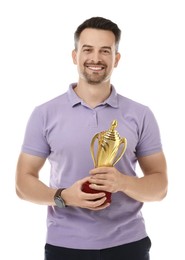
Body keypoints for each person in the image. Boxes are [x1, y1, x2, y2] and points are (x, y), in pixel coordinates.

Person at [15, 16, 168, 260]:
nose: (95, 58)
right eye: (88, 49)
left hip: (129, 245)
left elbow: (160, 188)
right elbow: (23, 184)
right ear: (75, 56)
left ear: (116, 59)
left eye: (105, 51)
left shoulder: (141, 114)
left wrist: (123, 183)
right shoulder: (44, 114)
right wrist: (64, 197)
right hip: (64, 247)